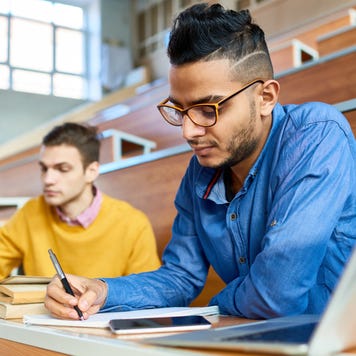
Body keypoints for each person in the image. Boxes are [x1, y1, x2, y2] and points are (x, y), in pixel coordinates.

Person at [45, 3, 356, 320]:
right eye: (179, 111)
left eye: (209, 110)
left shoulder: (317, 135)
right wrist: (100, 290)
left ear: (265, 98)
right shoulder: (201, 172)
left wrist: (214, 306)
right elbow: (180, 278)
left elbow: (275, 293)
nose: (188, 131)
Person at [0, 122, 160, 280]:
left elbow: (147, 291)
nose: (48, 179)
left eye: (62, 169)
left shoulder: (132, 223)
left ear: (91, 171)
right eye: (44, 169)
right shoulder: (30, 212)